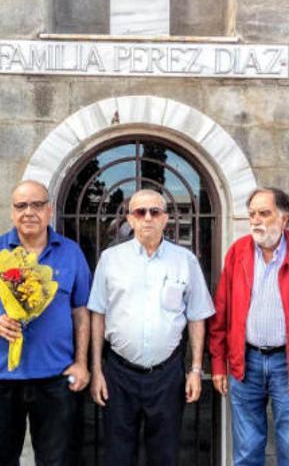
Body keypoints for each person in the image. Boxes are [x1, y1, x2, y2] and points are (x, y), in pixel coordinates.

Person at [0, 180, 91, 466]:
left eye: (37, 204)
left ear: (49, 210)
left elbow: (81, 312)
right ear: (12, 212)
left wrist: (81, 363)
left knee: (58, 461)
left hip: (56, 377)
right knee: (1, 460)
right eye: (21, 206)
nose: (29, 212)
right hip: (1, 377)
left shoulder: (71, 253)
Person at [207, 187, 289, 466]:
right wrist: (219, 364)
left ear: (284, 219)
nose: (256, 220)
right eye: (252, 214)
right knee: (246, 453)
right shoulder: (237, 253)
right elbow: (221, 315)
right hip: (246, 364)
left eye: (264, 213)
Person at [88, 189, 215, 466]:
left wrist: (195, 370)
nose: (147, 217)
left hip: (167, 374)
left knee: (165, 455)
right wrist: (97, 371)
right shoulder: (110, 260)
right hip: (119, 373)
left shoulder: (185, 261)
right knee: (118, 456)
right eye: (140, 212)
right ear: (130, 219)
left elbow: (197, 316)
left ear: (165, 219)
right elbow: (97, 314)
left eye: (154, 212)